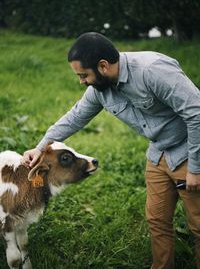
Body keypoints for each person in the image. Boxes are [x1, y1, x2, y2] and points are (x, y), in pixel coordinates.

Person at [22, 32, 200, 269]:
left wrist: (196, 169)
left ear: (103, 66)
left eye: (83, 75)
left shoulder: (153, 71)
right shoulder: (100, 89)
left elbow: (196, 113)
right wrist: (39, 147)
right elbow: (74, 118)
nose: (81, 81)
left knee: (198, 226)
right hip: (158, 155)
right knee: (157, 222)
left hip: (190, 152)